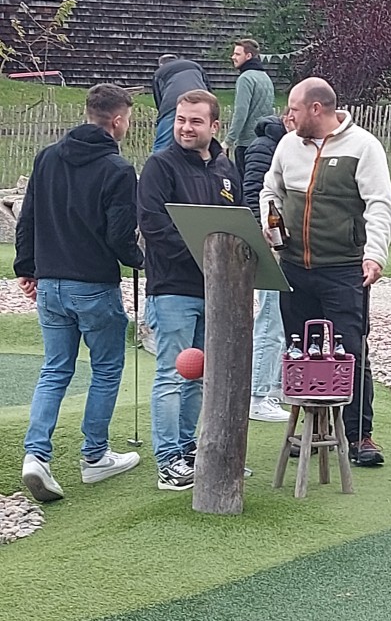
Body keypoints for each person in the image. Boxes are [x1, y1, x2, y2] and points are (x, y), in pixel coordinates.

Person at [14, 84, 145, 502]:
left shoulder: (47, 157)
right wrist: (140, 260)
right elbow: (120, 235)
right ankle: (95, 455)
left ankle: (36, 455)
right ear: (117, 120)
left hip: (51, 283)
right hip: (92, 285)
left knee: (55, 369)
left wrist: (26, 268)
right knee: (106, 369)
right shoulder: (118, 169)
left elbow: (28, 218)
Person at [260, 77, 391, 467]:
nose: (288, 116)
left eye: (294, 109)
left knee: (349, 351)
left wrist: (375, 255)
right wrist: (270, 219)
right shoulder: (288, 145)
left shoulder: (364, 146)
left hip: (344, 270)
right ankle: (315, 430)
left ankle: (359, 435)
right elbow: (271, 190)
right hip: (293, 268)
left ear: (316, 109)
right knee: (301, 352)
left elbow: (379, 204)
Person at [138, 89, 243, 491]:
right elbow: (154, 225)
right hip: (172, 289)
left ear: (214, 125)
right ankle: (168, 462)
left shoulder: (226, 169)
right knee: (171, 373)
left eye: (195, 121)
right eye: (181, 119)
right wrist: (205, 255)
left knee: (199, 375)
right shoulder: (160, 166)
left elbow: (237, 223)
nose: (185, 127)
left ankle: (189, 450)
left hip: (216, 292)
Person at [243, 113, 294, 422]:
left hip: (287, 247)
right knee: (270, 317)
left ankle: (273, 387)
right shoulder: (265, 147)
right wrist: (265, 239)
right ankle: (257, 395)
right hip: (270, 245)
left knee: (282, 318)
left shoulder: (290, 145)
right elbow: (254, 194)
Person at [223, 38, 275, 184]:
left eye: (237, 54)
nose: (233, 57)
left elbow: (241, 113)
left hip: (246, 144)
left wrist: (228, 141)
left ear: (248, 56)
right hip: (264, 141)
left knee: (244, 186)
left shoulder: (245, 78)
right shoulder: (265, 77)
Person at [151, 54, 211, 154]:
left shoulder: (159, 72)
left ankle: (157, 162)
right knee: (200, 140)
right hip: (201, 101)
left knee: (162, 144)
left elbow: (158, 99)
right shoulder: (195, 65)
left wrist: (162, 117)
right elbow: (208, 87)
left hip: (173, 104)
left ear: (161, 64)